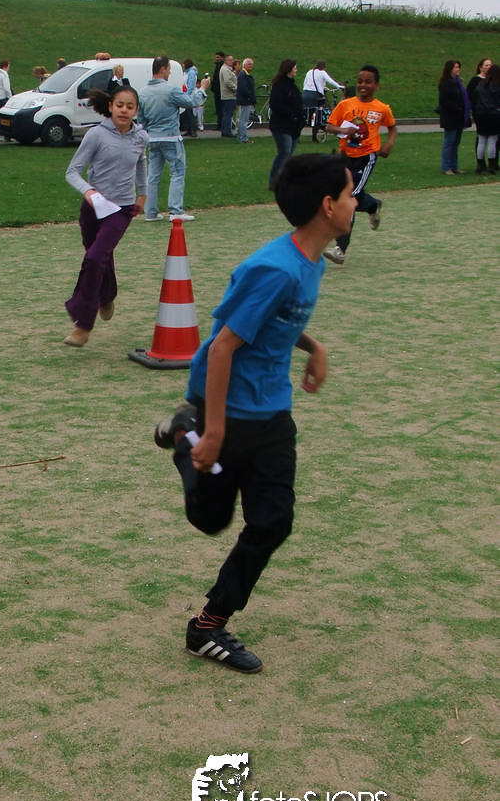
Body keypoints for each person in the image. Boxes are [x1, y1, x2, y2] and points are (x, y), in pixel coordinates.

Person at [153, 152, 356, 673]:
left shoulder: (311, 259)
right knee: (209, 519)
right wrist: (214, 431)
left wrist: (313, 346)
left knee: (273, 521)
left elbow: (277, 321)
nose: (357, 202)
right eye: (350, 193)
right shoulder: (275, 268)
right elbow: (223, 347)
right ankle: (186, 434)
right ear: (328, 205)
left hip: (271, 411)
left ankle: (208, 625)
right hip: (226, 406)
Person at [62, 85, 149, 347]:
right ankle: (107, 295)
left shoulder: (141, 137)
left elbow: (141, 162)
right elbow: (72, 171)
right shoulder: (96, 135)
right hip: (93, 209)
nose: (124, 110)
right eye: (119, 105)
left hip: (121, 209)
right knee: (99, 257)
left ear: (136, 110)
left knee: (95, 257)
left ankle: (83, 324)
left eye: (130, 106)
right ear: (110, 106)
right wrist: (88, 191)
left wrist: (143, 194)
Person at [322, 63, 396, 265]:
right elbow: (329, 126)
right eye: (360, 81)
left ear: (376, 85)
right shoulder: (345, 105)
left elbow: (392, 127)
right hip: (345, 157)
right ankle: (372, 205)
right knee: (352, 194)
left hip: (366, 157)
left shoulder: (381, 108)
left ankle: (340, 249)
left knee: (349, 197)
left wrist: (389, 144)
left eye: (368, 82)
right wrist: (343, 130)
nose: (363, 85)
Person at [139, 55, 209, 223]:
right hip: (171, 138)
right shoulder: (170, 90)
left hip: (153, 139)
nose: (169, 73)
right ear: (163, 69)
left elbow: (142, 121)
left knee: (153, 176)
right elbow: (191, 102)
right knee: (177, 173)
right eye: (169, 69)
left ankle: (150, 212)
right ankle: (176, 210)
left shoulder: (142, 93)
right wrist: (203, 88)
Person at [267, 59, 304, 189]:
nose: (296, 69)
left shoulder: (292, 85)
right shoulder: (280, 85)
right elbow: (275, 104)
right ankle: (274, 181)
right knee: (284, 153)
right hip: (281, 126)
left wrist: (299, 118)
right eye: (294, 67)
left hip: (294, 126)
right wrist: (291, 113)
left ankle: (284, 179)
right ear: (288, 69)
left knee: (288, 155)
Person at [437, 59, 470, 175]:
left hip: (459, 117)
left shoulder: (458, 82)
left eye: (459, 67)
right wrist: (457, 108)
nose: (458, 69)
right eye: (456, 67)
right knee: (449, 142)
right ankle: (446, 167)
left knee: (456, 143)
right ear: (450, 69)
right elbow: (444, 100)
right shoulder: (445, 83)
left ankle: (454, 166)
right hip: (450, 117)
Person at [471, 63, 500, 175]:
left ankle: (480, 164)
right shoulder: (497, 86)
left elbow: (475, 98)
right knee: (492, 140)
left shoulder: (481, 85)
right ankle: (491, 165)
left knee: (482, 139)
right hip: (494, 114)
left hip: (481, 114)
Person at [235, 58, 256, 144]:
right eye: (249, 64)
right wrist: (250, 96)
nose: (251, 66)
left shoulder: (244, 74)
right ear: (245, 65)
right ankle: (242, 138)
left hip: (245, 100)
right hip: (245, 100)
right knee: (244, 120)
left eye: (252, 64)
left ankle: (241, 137)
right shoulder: (243, 75)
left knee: (243, 119)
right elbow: (243, 88)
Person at [218, 54, 237, 136]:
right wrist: (236, 89)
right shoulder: (225, 70)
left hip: (227, 95)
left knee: (226, 113)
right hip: (228, 95)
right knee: (228, 114)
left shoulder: (226, 69)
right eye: (231, 60)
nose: (233, 61)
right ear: (226, 61)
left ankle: (225, 131)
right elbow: (228, 82)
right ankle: (227, 131)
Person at [180, 58, 199, 137]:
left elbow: (190, 84)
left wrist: (187, 94)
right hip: (187, 94)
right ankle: (189, 130)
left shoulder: (191, 73)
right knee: (188, 113)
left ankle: (193, 130)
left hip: (190, 95)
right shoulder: (188, 72)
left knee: (190, 113)